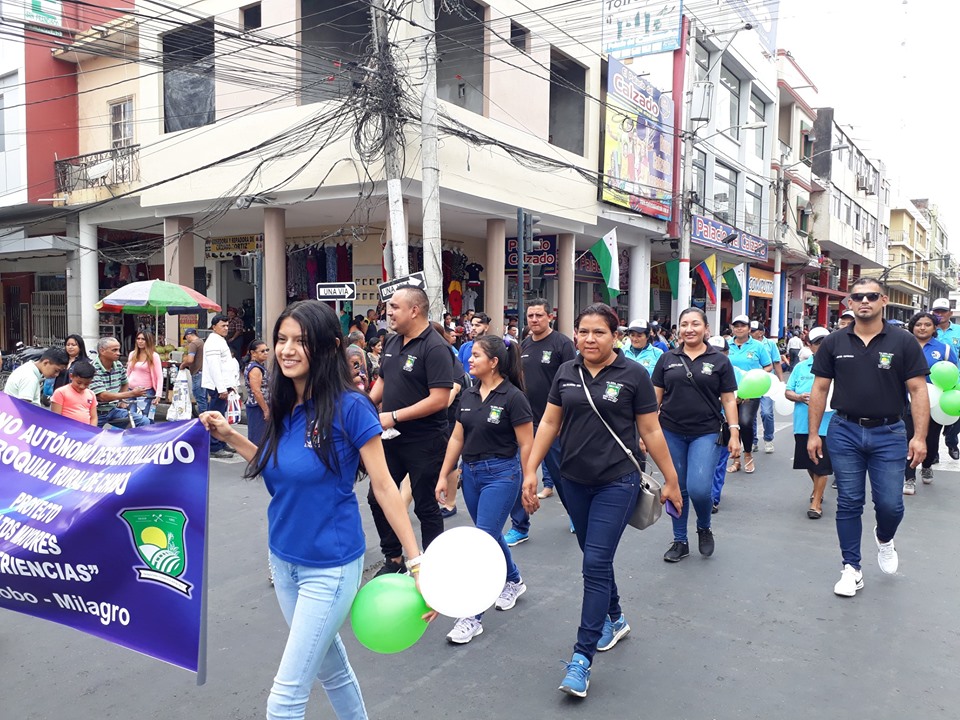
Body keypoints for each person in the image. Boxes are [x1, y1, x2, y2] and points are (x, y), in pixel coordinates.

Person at [199, 300, 434, 720]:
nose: (286, 350)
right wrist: (229, 435)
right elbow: (276, 468)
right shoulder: (284, 403)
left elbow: (384, 486)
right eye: (281, 339)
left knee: (284, 702)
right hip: (283, 561)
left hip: (329, 567)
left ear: (327, 347)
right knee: (332, 669)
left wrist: (416, 562)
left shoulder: (352, 407)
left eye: (300, 341)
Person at [521, 303, 682, 699]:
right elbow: (550, 422)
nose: (589, 339)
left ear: (615, 336)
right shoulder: (566, 371)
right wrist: (531, 470)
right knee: (595, 557)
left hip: (617, 481)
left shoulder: (634, 374)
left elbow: (651, 430)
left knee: (593, 563)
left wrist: (672, 480)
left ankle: (582, 657)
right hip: (573, 481)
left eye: (599, 332)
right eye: (583, 331)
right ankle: (616, 616)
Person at [807, 277, 930, 597]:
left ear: (883, 301)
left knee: (890, 504)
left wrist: (920, 437)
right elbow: (819, 389)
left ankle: (885, 537)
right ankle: (851, 568)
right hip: (844, 431)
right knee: (849, 501)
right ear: (849, 302)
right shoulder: (834, 342)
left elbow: (918, 390)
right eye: (858, 296)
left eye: (872, 296)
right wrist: (813, 433)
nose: (865, 301)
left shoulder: (903, 342)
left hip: (890, 433)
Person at [435, 335, 533, 644]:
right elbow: (457, 438)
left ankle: (471, 615)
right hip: (472, 475)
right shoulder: (468, 394)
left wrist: (529, 479)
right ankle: (513, 579)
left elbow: (527, 443)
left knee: (481, 542)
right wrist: (444, 474)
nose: (469, 359)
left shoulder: (513, 397)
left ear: (494, 362)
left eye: (476, 355)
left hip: (502, 475)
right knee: (487, 534)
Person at [368, 286, 454, 575]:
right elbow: (383, 381)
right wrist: (365, 407)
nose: (389, 313)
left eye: (394, 307)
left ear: (414, 310)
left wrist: (393, 416)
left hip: (426, 441)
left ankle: (433, 566)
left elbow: (439, 399)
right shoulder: (392, 341)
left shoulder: (436, 347)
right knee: (377, 497)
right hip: (390, 439)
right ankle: (394, 559)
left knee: (425, 506)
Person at [652, 308, 740, 562]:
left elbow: (728, 399)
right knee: (676, 487)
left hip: (706, 432)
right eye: (684, 324)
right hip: (670, 431)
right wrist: (644, 434)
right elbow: (654, 399)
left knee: (699, 489)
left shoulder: (720, 361)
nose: (689, 329)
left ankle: (704, 526)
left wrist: (734, 432)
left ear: (706, 329)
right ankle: (680, 540)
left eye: (695, 324)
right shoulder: (667, 359)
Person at [509, 299, 576, 541]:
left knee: (561, 475)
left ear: (550, 317)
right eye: (531, 316)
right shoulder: (524, 344)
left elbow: (572, 382)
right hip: (525, 422)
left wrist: (564, 421)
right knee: (518, 474)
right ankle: (519, 526)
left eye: (539, 315)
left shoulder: (562, 344)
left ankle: (576, 514)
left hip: (553, 424)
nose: (534, 320)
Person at [785, 326, 833, 519]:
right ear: (810, 345)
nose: (822, 346)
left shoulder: (838, 367)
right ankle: (817, 489)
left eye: (825, 342)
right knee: (808, 462)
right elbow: (788, 391)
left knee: (821, 463)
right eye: (818, 343)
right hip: (802, 423)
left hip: (827, 424)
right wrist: (798, 396)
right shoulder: (800, 367)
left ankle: (816, 502)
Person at [902, 311, 954, 494]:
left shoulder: (944, 349)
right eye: (918, 325)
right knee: (909, 438)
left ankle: (927, 465)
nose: (922, 328)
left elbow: (953, 375)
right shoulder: (904, 347)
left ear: (934, 328)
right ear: (912, 327)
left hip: (935, 403)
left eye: (927, 325)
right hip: (907, 401)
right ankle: (909, 477)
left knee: (931, 440)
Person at [726, 314, 772, 473]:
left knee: (745, 422)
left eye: (743, 326)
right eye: (736, 326)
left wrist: (756, 377)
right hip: (730, 391)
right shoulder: (727, 345)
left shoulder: (758, 346)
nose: (739, 329)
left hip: (750, 392)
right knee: (732, 424)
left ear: (749, 329)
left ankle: (747, 455)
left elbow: (768, 366)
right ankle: (736, 459)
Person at [90, 338, 150, 428]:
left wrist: (122, 400)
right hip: (95, 412)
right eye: (114, 350)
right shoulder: (93, 368)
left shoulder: (118, 365)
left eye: (118, 350)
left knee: (143, 421)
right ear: (102, 351)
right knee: (93, 435)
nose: (118, 353)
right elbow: (103, 396)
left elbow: (125, 383)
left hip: (113, 410)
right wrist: (132, 393)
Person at [202, 314, 239, 458]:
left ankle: (221, 443)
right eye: (223, 326)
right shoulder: (213, 342)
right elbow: (214, 368)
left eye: (227, 325)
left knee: (221, 417)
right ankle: (214, 446)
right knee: (215, 417)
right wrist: (222, 388)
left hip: (223, 385)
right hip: (217, 387)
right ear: (214, 327)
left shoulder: (220, 340)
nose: (226, 328)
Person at [931, 297, 960, 459]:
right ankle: (933, 453)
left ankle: (951, 440)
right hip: (932, 382)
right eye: (937, 311)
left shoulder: (958, 331)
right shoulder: (927, 328)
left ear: (950, 313)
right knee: (932, 420)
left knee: (956, 413)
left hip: (955, 380)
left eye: (943, 311)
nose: (940, 314)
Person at [706, 336, 732, 513]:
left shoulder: (734, 371)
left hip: (723, 424)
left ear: (726, 353)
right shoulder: (699, 368)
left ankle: (713, 497)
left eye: (719, 352)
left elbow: (737, 398)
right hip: (700, 423)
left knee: (719, 462)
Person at [751, 323, 783, 454]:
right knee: (750, 414)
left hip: (767, 383)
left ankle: (768, 439)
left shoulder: (770, 344)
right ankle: (752, 441)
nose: (751, 333)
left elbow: (776, 363)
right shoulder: (747, 344)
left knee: (766, 412)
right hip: (751, 384)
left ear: (761, 332)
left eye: (753, 331)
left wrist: (781, 382)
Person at [3, 347, 68, 405]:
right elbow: (24, 408)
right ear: (46, 363)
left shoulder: (28, 368)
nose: (57, 375)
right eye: (56, 370)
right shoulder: (30, 378)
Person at [127, 331, 163, 421]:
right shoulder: (132, 354)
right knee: (132, 417)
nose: (140, 341)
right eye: (138, 339)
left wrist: (158, 394)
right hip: (131, 390)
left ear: (148, 341)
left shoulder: (154, 356)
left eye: (143, 339)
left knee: (144, 418)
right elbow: (128, 373)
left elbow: (159, 376)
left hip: (145, 392)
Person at [50, 361, 97, 425]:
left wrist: (92, 429)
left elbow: (94, 417)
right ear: (71, 376)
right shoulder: (61, 392)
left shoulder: (91, 394)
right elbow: (56, 416)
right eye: (79, 383)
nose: (82, 386)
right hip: (66, 428)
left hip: (85, 429)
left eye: (86, 384)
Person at [244, 340, 271, 446]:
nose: (266, 353)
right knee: (258, 439)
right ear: (253, 353)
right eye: (262, 351)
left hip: (260, 405)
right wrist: (266, 410)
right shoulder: (255, 369)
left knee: (264, 438)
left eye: (267, 350)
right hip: (257, 407)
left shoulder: (259, 366)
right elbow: (256, 391)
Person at [180, 328, 206, 415]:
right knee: (203, 398)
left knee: (199, 397)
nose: (187, 340)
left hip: (197, 373)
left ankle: (204, 418)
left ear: (189, 336)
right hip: (203, 373)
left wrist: (183, 365)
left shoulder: (193, 344)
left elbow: (190, 360)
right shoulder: (201, 342)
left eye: (186, 338)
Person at [458, 313, 490, 378]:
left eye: (477, 325)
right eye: (472, 325)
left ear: (486, 327)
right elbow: (458, 368)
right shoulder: (464, 347)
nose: (473, 328)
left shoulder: (491, 347)